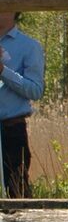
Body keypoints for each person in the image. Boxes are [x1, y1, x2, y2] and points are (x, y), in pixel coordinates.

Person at [0, 11, 44, 198]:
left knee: (16, 192)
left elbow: (35, 91)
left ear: (14, 10)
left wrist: (3, 71)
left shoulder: (29, 46)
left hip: (11, 129)